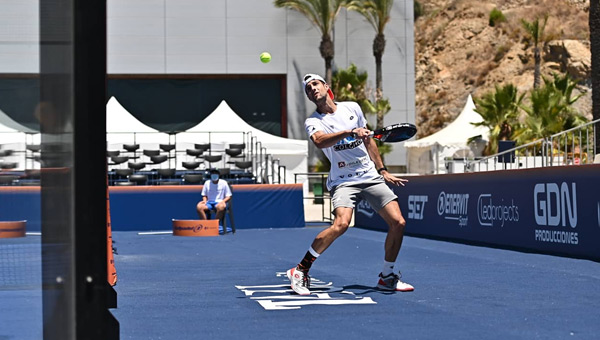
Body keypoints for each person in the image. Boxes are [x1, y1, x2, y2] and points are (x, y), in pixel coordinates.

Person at [286, 73, 414, 295]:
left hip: (369, 175)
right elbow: (319, 141)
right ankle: (301, 270)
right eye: (308, 89)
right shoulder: (313, 121)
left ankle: (387, 276)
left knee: (398, 222)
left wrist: (382, 170)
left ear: (326, 87)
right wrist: (349, 131)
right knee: (341, 224)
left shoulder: (352, 108)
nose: (312, 89)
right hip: (343, 180)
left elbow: (368, 141)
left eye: (315, 84)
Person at [196, 169, 232, 234]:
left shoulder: (224, 183)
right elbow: (204, 195)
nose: (214, 175)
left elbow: (228, 196)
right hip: (209, 202)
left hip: (220, 202)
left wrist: (223, 201)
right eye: (213, 173)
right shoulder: (207, 183)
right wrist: (204, 201)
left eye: (216, 173)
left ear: (218, 175)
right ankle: (205, 226)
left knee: (221, 207)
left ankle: (214, 226)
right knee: (199, 207)